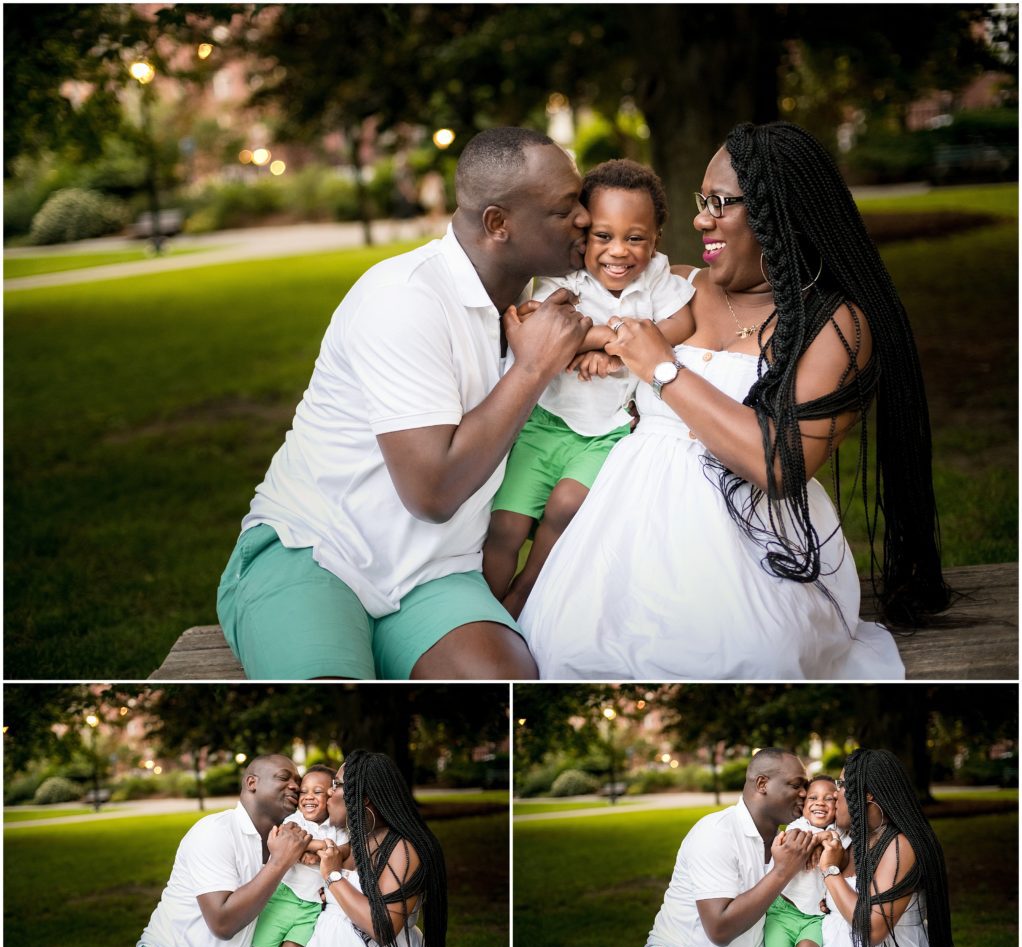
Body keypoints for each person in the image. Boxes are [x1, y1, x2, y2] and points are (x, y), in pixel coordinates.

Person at [520, 121, 951, 679]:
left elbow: (778, 465)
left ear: (780, 211)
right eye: (704, 201)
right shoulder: (673, 286)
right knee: (569, 651)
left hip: (755, 553)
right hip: (622, 534)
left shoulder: (835, 327)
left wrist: (663, 369)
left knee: (743, 658)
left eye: (721, 202)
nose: (701, 218)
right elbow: (574, 307)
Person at [217, 127, 592, 680]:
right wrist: (533, 368)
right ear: (498, 224)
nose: (585, 217)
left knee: (504, 684)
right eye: (565, 210)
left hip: (438, 574)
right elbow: (432, 491)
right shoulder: (403, 299)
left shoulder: (541, 307)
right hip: (318, 550)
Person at [483, 159, 695, 617]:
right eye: (603, 236)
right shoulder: (567, 276)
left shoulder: (657, 276)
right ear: (583, 234)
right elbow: (540, 324)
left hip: (607, 435)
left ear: (655, 238)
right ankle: (481, 606)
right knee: (506, 526)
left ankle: (523, 599)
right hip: (545, 425)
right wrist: (614, 339)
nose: (619, 251)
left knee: (564, 511)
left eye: (635, 237)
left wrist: (611, 348)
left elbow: (683, 321)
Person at [785, 749, 980, 947]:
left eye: (841, 785)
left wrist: (830, 872)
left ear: (868, 794)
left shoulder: (900, 845)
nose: (835, 793)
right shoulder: (854, 842)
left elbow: (872, 930)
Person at [270, 751, 461, 947]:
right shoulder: (363, 840)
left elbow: (382, 927)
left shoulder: (402, 848)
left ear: (364, 797)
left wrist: (333, 877)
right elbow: (330, 853)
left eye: (335, 785)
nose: (329, 794)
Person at [119, 755, 312, 947]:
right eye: (284, 777)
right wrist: (279, 863)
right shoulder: (214, 831)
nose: (295, 786)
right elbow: (222, 922)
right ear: (252, 783)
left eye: (298, 781)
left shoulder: (287, 840)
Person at [631, 749, 815, 947]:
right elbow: (719, 928)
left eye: (806, 786)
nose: (804, 793)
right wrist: (782, 872)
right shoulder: (716, 832)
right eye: (796, 784)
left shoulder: (787, 843)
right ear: (762, 784)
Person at [251, 764, 349, 947]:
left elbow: (346, 851)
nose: (308, 797)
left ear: (331, 795)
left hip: (312, 907)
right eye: (304, 792)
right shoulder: (294, 820)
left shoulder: (338, 827)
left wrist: (309, 849)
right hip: (282, 898)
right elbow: (286, 838)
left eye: (317, 791)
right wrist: (320, 849)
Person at [763, 776, 846, 947]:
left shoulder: (842, 834)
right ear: (804, 805)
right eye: (813, 797)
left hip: (814, 917)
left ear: (837, 806)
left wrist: (827, 837)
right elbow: (792, 839)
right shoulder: (798, 826)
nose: (820, 802)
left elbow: (842, 858)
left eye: (829, 799)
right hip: (783, 910)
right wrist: (821, 838)